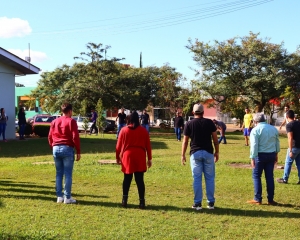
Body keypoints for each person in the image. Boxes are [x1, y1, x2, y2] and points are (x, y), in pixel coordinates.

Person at [181, 103, 219, 210]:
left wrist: (182, 154)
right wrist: (217, 152)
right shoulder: (210, 122)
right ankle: (210, 203)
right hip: (208, 152)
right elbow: (215, 140)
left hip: (195, 153)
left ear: (193, 112)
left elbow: (185, 141)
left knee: (197, 179)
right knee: (210, 178)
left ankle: (197, 203)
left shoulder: (189, 124)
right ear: (203, 112)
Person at [116, 111, 152, 209]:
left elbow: (118, 146)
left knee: (127, 179)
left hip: (127, 156)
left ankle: (124, 200)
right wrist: (149, 159)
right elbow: (148, 146)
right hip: (140, 156)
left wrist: (117, 157)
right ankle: (142, 202)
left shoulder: (123, 130)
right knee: (140, 180)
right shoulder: (144, 131)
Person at [48, 103, 81, 204]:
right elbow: (75, 137)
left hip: (56, 147)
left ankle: (59, 196)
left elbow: (49, 136)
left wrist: (52, 146)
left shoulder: (54, 121)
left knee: (59, 174)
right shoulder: (71, 121)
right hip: (67, 147)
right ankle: (67, 197)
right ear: (70, 111)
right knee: (68, 174)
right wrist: (78, 151)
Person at [247, 113, 280, 205]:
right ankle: (270, 199)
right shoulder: (273, 129)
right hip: (271, 154)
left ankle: (258, 198)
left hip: (260, 155)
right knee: (269, 177)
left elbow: (254, 145)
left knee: (257, 176)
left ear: (255, 121)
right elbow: (277, 142)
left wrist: (252, 157)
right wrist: (276, 154)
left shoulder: (255, 130)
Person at [277, 110, 300, 184]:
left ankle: (285, 179)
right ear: (294, 116)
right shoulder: (299, 123)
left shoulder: (289, 125)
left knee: (288, 162)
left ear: (287, 117)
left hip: (294, 147)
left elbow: (290, 138)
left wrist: (290, 150)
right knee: (299, 164)